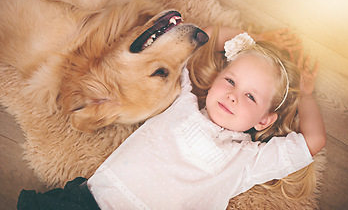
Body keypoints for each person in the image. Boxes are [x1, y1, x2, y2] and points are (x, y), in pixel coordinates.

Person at [18, 27, 326, 210]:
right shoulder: (182, 98)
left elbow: (313, 141)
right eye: (231, 82)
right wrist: (254, 38)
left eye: (250, 97)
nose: (233, 95)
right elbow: (199, 35)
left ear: (263, 121)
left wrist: (307, 94)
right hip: (92, 202)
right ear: (217, 77)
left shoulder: (247, 160)